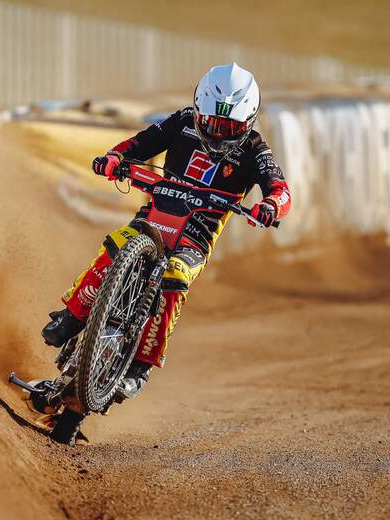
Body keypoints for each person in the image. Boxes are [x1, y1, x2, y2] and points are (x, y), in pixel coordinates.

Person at [42, 63, 292, 399]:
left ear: (248, 122)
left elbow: (280, 189)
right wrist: (114, 158)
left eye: (229, 127)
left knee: (175, 275)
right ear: (198, 109)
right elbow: (140, 143)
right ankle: (72, 316)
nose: (218, 134)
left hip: (195, 238)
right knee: (117, 243)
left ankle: (140, 367)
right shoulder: (182, 120)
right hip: (153, 218)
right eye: (211, 123)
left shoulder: (256, 150)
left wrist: (271, 205)